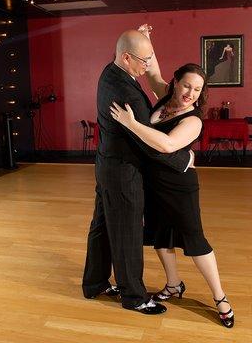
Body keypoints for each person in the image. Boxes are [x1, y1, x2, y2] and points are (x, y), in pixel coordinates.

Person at [109, 26, 234, 328]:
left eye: (197, 90)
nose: (190, 93)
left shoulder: (193, 121)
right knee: (160, 236)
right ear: (176, 82)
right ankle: (174, 284)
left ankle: (220, 298)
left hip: (179, 187)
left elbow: (165, 145)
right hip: (153, 184)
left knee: (195, 241)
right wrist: (146, 39)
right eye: (186, 85)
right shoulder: (165, 96)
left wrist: (130, 123)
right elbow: (152, 71)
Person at [82, 29, 194, 315]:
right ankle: (134, 296)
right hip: (123, 171)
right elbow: (148, 144)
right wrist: (184, 159)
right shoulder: (125, 91)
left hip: (107, 165)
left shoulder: (112, 71)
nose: (148, 65)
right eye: (144, 60)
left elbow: (131, 52)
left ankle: (94, 283)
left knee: (103, 226)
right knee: (128, 232)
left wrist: (143, 39)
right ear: (127, 57)